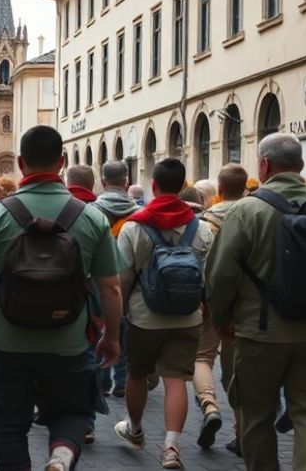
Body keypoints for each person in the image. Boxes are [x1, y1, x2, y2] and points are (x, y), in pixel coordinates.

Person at [0, 125, 123, 471]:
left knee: (11, 427)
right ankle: (61, 454)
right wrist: (113, 337)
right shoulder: (92, 217)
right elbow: (111, 287)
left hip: (8, 342)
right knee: (72, 413)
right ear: (62, 162)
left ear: (20, 163)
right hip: (69, 343)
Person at [205, 134, 306, 471]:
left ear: (264, 165)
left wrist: (223, 316)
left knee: (257, 414)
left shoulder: (246, 210)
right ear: (301, 165)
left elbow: (219, 276)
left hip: (260, 332)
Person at [114, 158, 213, 469]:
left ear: (154, 186)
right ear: (183, 186)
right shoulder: (201, 228)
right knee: (176, 380)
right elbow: (207, 277)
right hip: (187, 317)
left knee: (137, 374)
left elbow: (123, 277)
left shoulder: (135, 225)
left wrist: (118, 313)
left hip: (144, 317)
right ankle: (171, 447)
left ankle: (135, 429)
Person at [195, 163, 248, 455]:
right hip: (246, 306)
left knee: (202, 357)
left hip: (211, 303)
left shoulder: (206, 221)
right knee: (236, 369)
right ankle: (241, 433)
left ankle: (209, 405)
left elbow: (201, 266)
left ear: (219, 188)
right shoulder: (255, 216)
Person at [93, 161, 141, 399]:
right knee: (124, 334)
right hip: (133, 284)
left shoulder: (93, 211)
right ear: (126, 182)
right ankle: (122, 381)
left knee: (102, 331)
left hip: (100, 284)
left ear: (103, 182)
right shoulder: (140, 212)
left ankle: (101, 381)